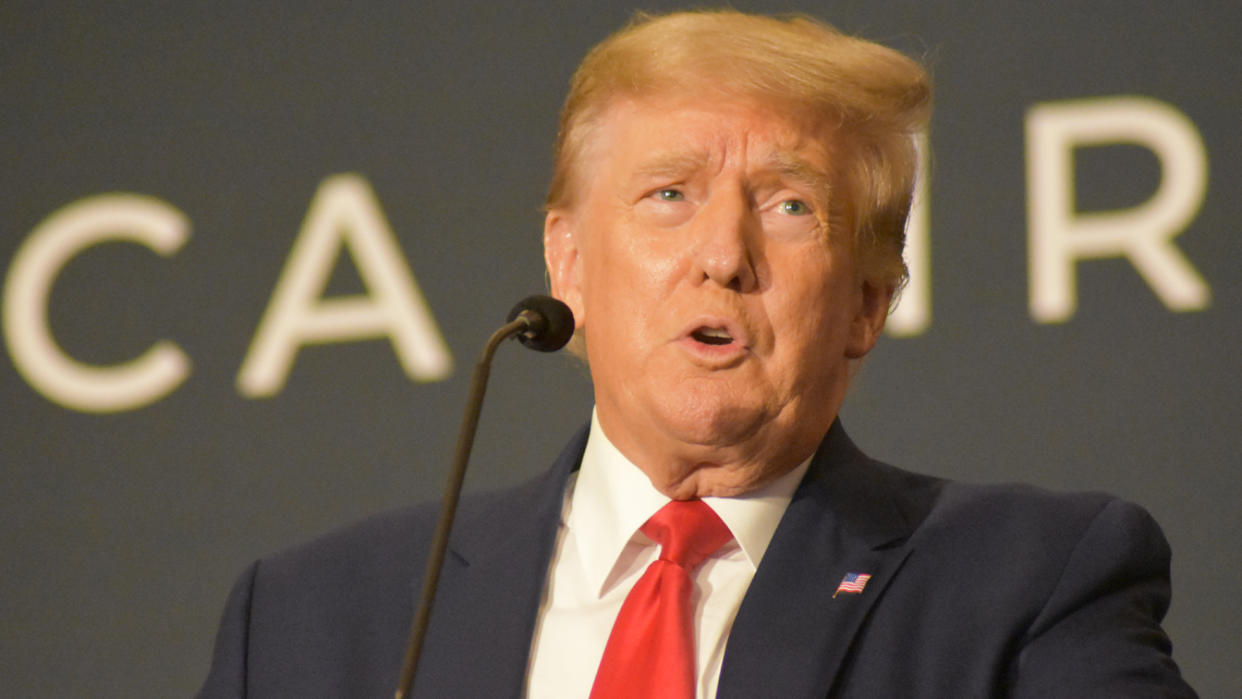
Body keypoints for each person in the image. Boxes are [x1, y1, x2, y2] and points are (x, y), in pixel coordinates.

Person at [197, 10, 1195, 698]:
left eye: (790, 205)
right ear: (570, 262)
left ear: (866, 304)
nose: (722, 254)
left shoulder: (1025, 584)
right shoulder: (315, 623)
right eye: (669, 193)